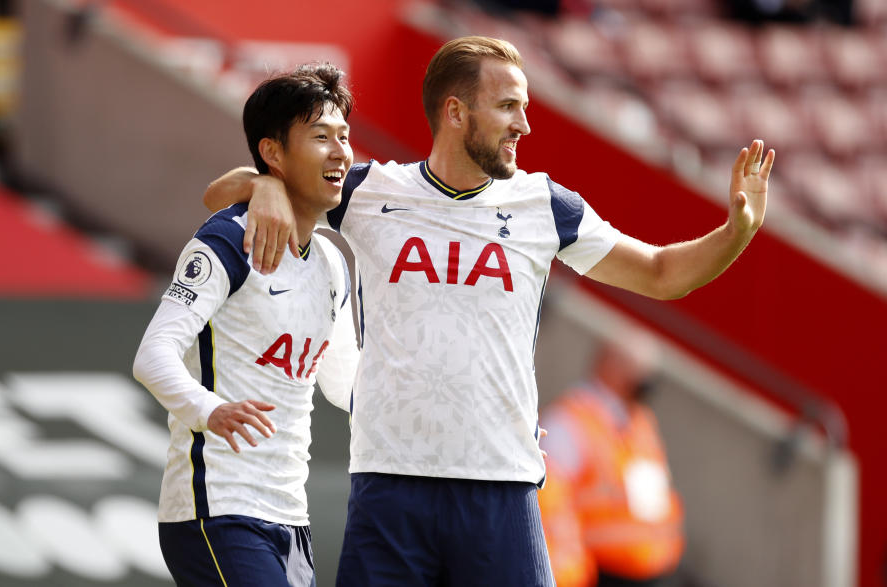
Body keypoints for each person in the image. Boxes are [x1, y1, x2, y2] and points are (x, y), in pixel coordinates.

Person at [203, 36, 773, 586]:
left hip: (500, 486)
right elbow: (219, 195)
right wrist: (268, 187)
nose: (523, 125)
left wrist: (736, 232)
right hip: (390, 485)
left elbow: (660, 274)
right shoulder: (369, 192)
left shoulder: (546, 206)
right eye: (507, 107)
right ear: (455, 111)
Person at [132, 63, 360, 587]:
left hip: (290, 516)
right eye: (320, 136)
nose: (339, 152)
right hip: (217, 506)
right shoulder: (228, 240)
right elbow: (153, 355)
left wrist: (464, 412)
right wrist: (210, 410)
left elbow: (346, 384)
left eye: (344, 137)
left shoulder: (330, 261)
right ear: (273, 151)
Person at [539, 328, 683, 587]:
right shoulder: (570, 421)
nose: (645, 379)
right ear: (609, 363)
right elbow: (550, 509)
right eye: (637, 367)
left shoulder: (641, 422)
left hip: (656, 570)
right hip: (601, 572)